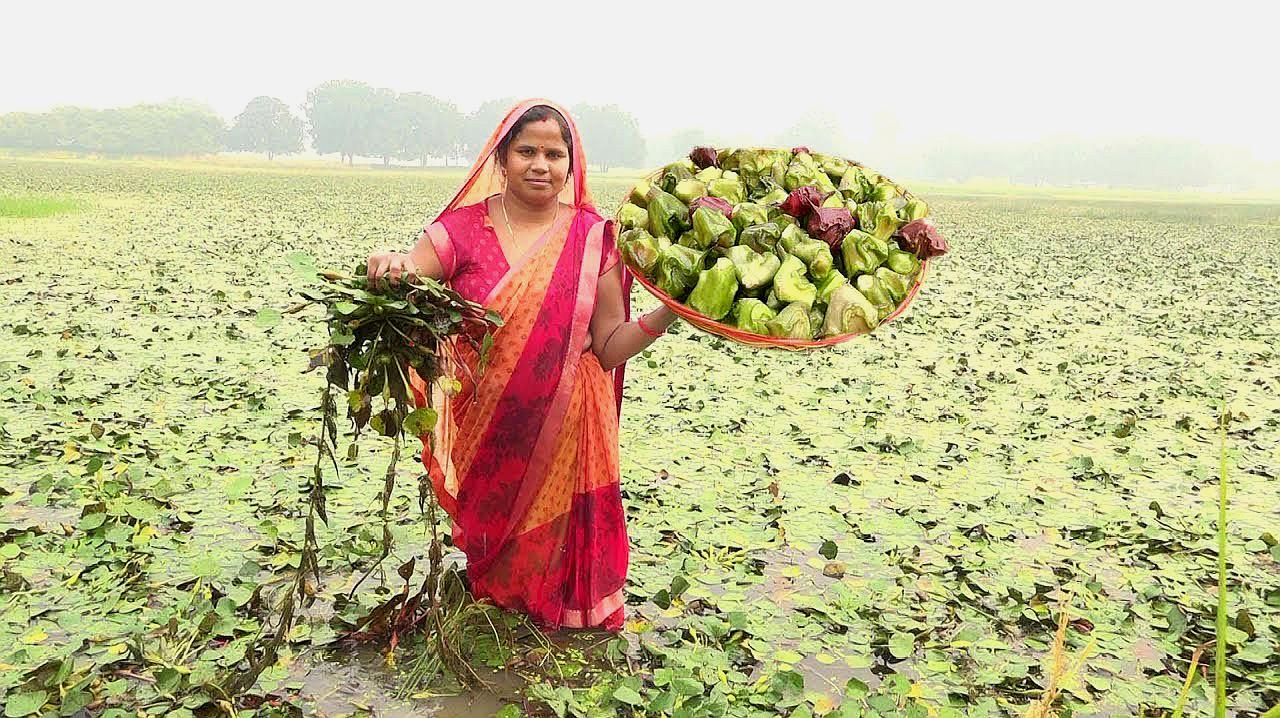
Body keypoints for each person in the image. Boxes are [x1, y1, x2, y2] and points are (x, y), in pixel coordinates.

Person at [364, 99, 677, 631]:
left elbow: (608, 346)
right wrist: (392, 268)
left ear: (571, 166)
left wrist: (668, 313)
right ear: (501, 159)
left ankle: (561, 628)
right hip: (487, 424)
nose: (540, 164)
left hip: (569, 424)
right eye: (526, 151)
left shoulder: (594, 239)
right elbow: (409, 286)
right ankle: (500, 616)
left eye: (554, 153)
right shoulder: (458, 232)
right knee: (497, 559)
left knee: (562, 562)